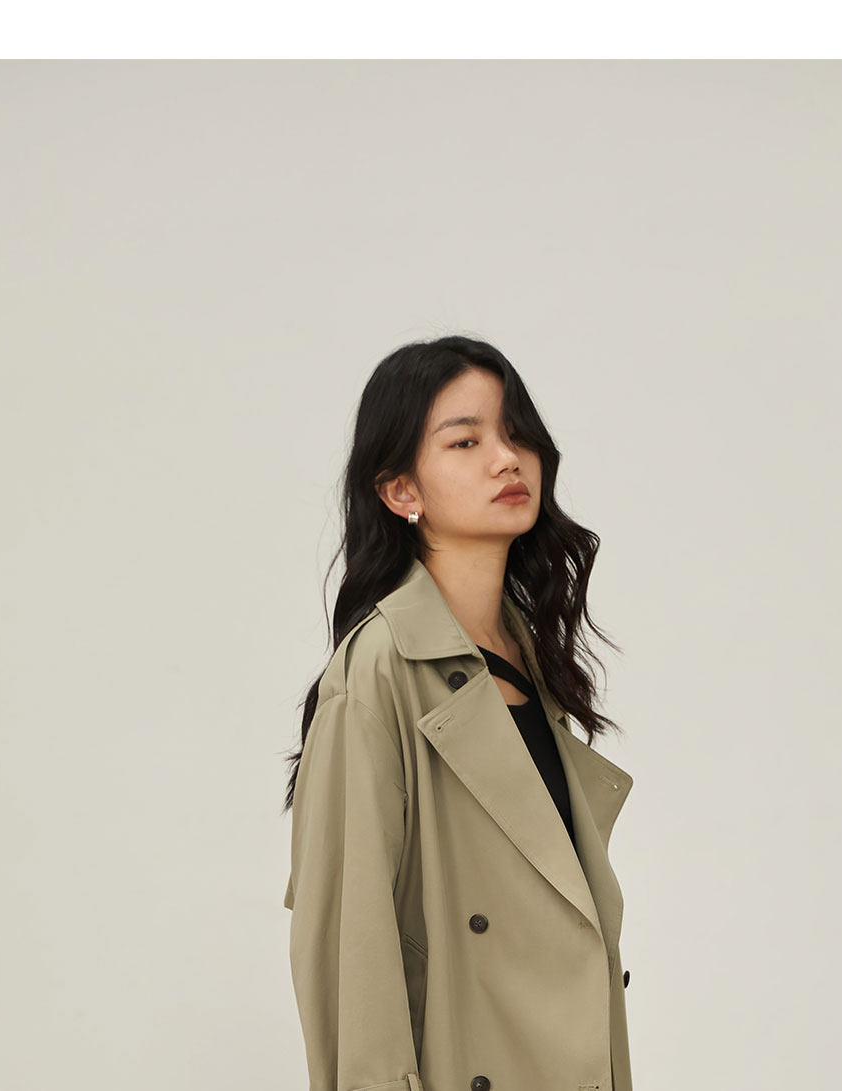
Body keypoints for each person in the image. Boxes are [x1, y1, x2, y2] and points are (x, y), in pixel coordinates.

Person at [281, 335, 635, 1091]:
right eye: (466, 441)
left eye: (516, 434)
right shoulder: (379, 669)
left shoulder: (527, 654)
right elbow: (348, 944)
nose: (507, 459)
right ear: (400, 490)